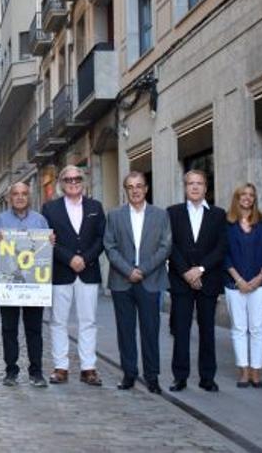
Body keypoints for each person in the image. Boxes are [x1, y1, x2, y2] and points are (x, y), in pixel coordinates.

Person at [103, 172, 172, 394]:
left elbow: (165, 247)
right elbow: (110, 246)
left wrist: (142, 270)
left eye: (139, 186)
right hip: (122, 281)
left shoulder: (160, 215)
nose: (135, 190)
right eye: (130, 187)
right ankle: (129, 374)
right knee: (125, 330)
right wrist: (128, 270)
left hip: (150, 280)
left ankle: (152, 377)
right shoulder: (114, 215)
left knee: (151, 330)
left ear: (146, 188)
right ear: (125, 190)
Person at [41, 165, 105, 386]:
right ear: (61, 183)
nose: (73, 182)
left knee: (88, 321)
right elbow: (49, 240)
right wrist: (69, 259)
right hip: (61, 271)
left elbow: (100, 239)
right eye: (68, 179)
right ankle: (61, 368)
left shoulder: (96, 207)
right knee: (58, 321)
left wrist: (84, 259)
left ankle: (89, 368)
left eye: (77, 178)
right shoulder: (50, 209)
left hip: (88, 272)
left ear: (83, 181)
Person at [167, 169, 227, 393]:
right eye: (190, 183)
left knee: (207, 331)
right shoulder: (172, 213)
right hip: (181, 281)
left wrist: (200, 270)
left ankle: (207, 378)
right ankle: (180, 377)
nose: (194, 187)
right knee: (181, 331)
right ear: (184, 187)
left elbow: (221, 247)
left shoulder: (218, 215)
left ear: (206, 188)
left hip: (208, 280)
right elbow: (169, 245)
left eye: (199, 183)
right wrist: (186, 272)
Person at [0, 182, 49, 388]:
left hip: (34, 285)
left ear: (29, 197)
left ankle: (36, 372)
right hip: (9, 283)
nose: (20, 197)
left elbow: (47, 251)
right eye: (15, 194)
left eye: (24, 194)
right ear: (9, 198)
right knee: (9, 329)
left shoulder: (40, 220)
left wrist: (51, 242)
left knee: (34, 329)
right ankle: (11, 371)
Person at [224, 183, 262, 389]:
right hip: (234, 283)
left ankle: (256, 371)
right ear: (236, 198)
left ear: (255, 199)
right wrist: (239, 280)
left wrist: (259, 278)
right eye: (243, 194)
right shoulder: (227, 224)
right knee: (238, 328)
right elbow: (224, 254)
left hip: (260, 284)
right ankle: (243, 371)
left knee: (257, 328)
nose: (247, 198)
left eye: (251, 195)